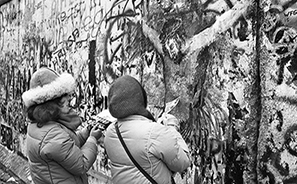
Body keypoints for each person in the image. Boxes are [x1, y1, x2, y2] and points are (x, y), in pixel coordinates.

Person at [104, 75, 190, 184]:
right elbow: (183, 162)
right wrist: (172, 128)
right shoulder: (155, 132)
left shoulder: (110, 131)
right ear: (140, 99)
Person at [22, 67, 102, 184]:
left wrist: (84, 135)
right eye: (65, 99)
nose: (70, 99)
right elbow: (81, 164)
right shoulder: (53, 134)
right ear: (53, 104)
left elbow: (66, 148)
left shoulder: (39, 126)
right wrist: (93, 139)